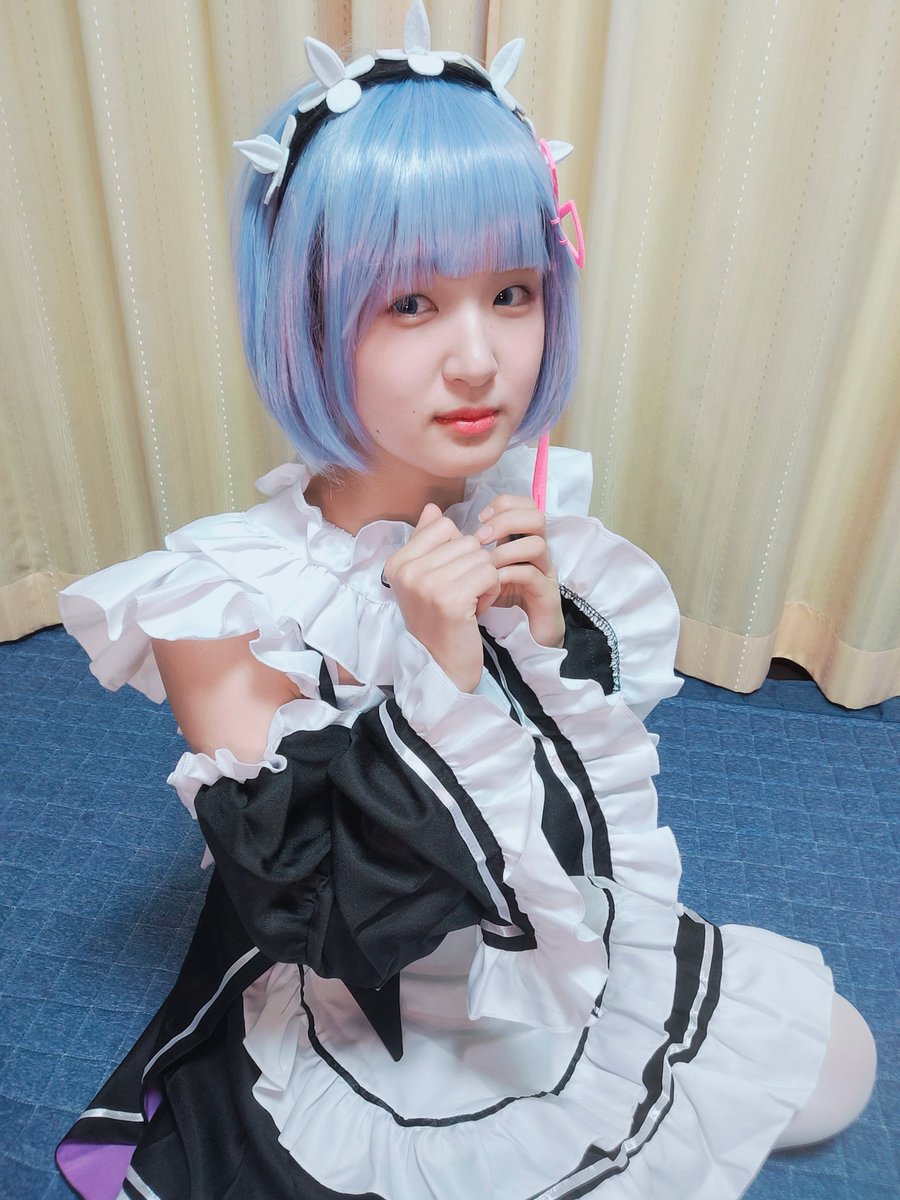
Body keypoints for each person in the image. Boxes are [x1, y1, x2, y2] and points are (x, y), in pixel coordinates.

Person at [55, 6, 875, 1198]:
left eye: (512, 291)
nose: (482, 359)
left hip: (544, 931)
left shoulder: (520, 513)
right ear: (306, 314)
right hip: (378, 1002)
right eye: (409, 304)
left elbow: (589, 801)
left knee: (833, 1060)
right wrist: (438, 672)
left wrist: (539, 642)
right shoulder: (220, 599)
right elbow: (325, 914)